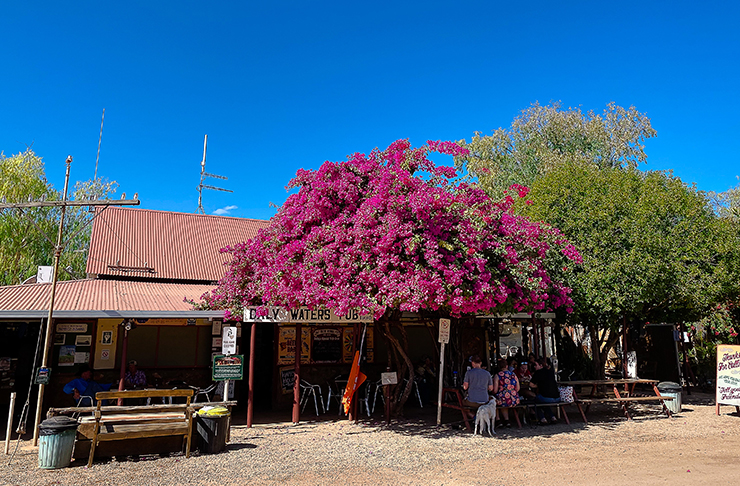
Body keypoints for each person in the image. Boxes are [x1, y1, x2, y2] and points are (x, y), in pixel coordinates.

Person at [529, 357, 560, 424]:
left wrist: (537, 385)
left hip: (547, 398)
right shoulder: (550, 371)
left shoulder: (538, 373)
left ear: (541, 365)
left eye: (536, 365)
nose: (534, 367)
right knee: (542, 402)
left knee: (533, 401)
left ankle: (542, 418)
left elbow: (531, 384)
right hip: (557, 397)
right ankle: (552, 417)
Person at [493, 358, 520, 427]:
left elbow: (495, 390)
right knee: (504, 401)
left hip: (503, 399)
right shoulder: (514, 375)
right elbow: (518, 388)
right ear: (507, 366)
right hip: (514, 399)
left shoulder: (498, 376)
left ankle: (498, 420)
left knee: (494, 401)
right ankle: (507, 420)